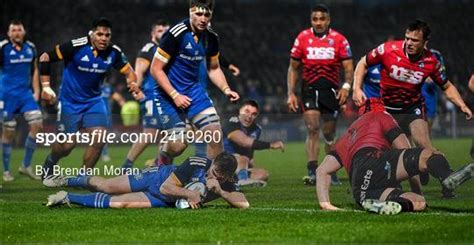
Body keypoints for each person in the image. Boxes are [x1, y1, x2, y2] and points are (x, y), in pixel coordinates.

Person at [316, 98, 474, 215]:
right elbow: (406, 150)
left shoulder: (347, 134)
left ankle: (382, 205)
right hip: (375, 160)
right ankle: (447, 176)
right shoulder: (381, 116)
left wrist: (325, 203)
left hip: (361, 190)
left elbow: (322, 171)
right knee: (428, 155)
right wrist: (418, 189)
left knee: (417, 203)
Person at [39, 18, 143, 182]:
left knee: (100, 138)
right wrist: (45, 87)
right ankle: (50, 162)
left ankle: (82, 178)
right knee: (67, 146)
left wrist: (133, 84)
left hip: (94, 101)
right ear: (92, 33)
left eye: (107, 35)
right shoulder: (76, 46)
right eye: (100, 34)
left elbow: (129, 72)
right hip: (69, 102)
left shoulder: (113, 53)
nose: (103, 38)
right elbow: (45, 57)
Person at [352, 19, 472, 152]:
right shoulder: (387, 49)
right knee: (403, 152)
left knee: (424, 146)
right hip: (387, 108)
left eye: (414, 40)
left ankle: (448, 173)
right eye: (407, 38)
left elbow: (447, 86)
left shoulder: (431, 62)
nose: (409, 43)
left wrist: (462, 105)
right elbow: (363, 62)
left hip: (412, 108)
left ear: (425, 42)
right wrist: (356, 88)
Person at [150, 0, 239, 165]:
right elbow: (155, 69)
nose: (203, 18)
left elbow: (213, 68)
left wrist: (226, 89)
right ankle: (163, 154)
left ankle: (213, 181)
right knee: (177, 146)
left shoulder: (211, 37)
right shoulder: (175, 34)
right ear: (190, 12)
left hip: (193, 91)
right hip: (167, 95)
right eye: (198, 14)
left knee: (215, 135)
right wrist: (175, 95)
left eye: (207, 14)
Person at [286, 4, 353, 186]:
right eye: (315, 19)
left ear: (328, 20)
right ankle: (312, 169)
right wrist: (291, 93)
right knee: (312, 128)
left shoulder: (339, 40)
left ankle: (330, 170)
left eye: (322, 19)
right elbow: (293, 68)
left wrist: (346, 87)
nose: (318, 22)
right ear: (311, 20)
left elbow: (348, 68)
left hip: (331, 91)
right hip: (309, 90)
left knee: (329, 133)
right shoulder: (302, 38)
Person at [45, 152, 249, 209]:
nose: (211, 177)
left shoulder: (227, 181)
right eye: (212, 171)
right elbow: (166, 187)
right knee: (106, 186)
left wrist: (221, 192)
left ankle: (66, 197)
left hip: (165, 200)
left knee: (120, 203)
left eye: (217, 177)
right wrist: (190, 193)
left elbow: (244, 204)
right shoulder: (198, 162)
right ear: (211, 163)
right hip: (158, 178)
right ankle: (67, 179)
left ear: (227, 177)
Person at [121, 20, 170, 170]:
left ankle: (160, 165)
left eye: (165, 31)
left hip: (165, 97)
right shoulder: (149, 49)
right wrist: (137, 91)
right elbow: (138, 72)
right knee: (151, 132)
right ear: (153, 33)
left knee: (167, 133)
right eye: (160, 30)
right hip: (151, 95)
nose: (163, 33)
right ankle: (127, 165)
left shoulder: (167, 49)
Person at [0, 20, 42, 181]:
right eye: (13, 30)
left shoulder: (30, 48)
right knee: (9, 132)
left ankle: (25, 165)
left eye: (19, 30)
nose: (16, 33)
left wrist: (37, 90)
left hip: (25, 95)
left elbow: (35, 70)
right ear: (9, 33)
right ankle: (6, 171)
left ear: (23, 32)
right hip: (6, 96)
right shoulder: (3, 48)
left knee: (37, 124)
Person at [222, 100, 284, 187]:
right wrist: (271, 145)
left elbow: (249, 153)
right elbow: (243, 141)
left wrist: (250, 164)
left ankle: (231, 180)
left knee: (263, 174)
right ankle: (242, 180)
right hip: (221, 161)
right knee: (242, 159)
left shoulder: (256, 129)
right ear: (240, 110)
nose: (249, 116)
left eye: (254, 114)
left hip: (238, 165)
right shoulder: (231, 122)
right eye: (246, 111)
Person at [100, 81, 126, 162]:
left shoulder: (108, 87)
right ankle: (103, 154)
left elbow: (117, 97)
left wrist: (123, 103)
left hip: (107, 115)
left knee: (104, 135)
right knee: (100, 135)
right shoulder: (92, 85)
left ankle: (102, 153)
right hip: (96, 114)